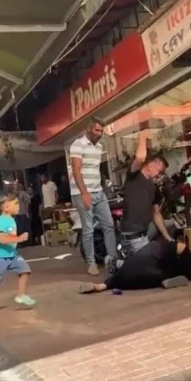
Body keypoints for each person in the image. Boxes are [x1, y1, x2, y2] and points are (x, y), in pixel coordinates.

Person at [69, 118, 118, 276]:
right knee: (88, 229)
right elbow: (76, 170)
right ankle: (91, 263)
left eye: (101, 131)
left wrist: (104, 188)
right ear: (89, 129)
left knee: (109, 225)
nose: (99, 133)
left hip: (99, 192)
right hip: (82, 193)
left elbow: (96, 170)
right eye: (97, 130)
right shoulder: (78, 144)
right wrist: (84, 194)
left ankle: (113, 260)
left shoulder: (99, 147)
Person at [0, 193, 35, 319]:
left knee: (24, 269)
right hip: (0, 258)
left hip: (12, 255)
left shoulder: (10, 219)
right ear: (6, 207)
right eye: (16, 204)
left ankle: (21, 295)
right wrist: (19, 238)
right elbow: (2, 239)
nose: (18, 206)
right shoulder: (2, 221)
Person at [78, 240, 191, 294]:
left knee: (122, 274)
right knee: (163, 274)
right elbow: (182, 250)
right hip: (144, 274)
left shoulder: (159, 245)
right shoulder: (174, 253)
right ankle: (169, 280)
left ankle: (101, 286)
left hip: (126, 274)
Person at [120, 131, 172, 257]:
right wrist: (143, 136)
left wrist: (168, 237)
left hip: (144, 235)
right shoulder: (134, 175)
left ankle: (121, 264)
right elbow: (140, 158)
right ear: (150, 166)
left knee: (171, 224)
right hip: (133, 238)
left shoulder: (154, 187)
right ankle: (118, 264)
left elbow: (156, 213)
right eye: (159, 172)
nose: (160, 176)